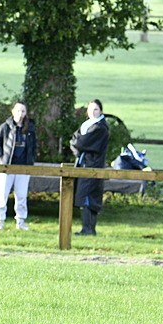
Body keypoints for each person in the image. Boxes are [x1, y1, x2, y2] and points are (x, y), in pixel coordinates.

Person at [0, 101, 37, 231]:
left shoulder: (30, 128)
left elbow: (34, 146)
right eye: (18, 111)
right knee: (1, 196)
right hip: (6, 167)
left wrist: (31, 160)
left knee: (21, 196)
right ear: (12, 112)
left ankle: (21, 222)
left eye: (23, 111)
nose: (20, 114)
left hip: (23, 167)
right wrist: (1, 159)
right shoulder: (5, 127)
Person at [70, 98, 110, 236]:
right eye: (90, 109)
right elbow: (74, 140)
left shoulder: (100, 128)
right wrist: (77, 147)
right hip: (84, 164)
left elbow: (81, 142)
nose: (93, 112)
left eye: (96, 109)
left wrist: (78, 145)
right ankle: (87, 229)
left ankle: (88, 229)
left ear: (101, 111)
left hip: (93, 166)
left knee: (88, 197)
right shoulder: (86, 125)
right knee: (85, 196)